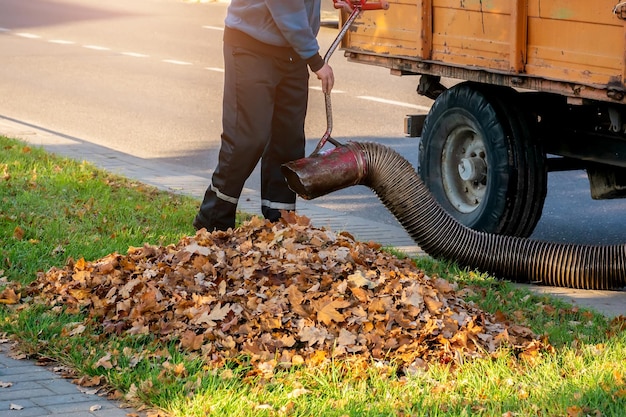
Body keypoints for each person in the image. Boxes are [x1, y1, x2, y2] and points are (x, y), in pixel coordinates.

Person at [194, 0, 350, 232]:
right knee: (246, 140)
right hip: (251, 46)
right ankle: (213, 220)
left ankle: (279, 225)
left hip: (292, 52)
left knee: (287, 143)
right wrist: (315, 60)